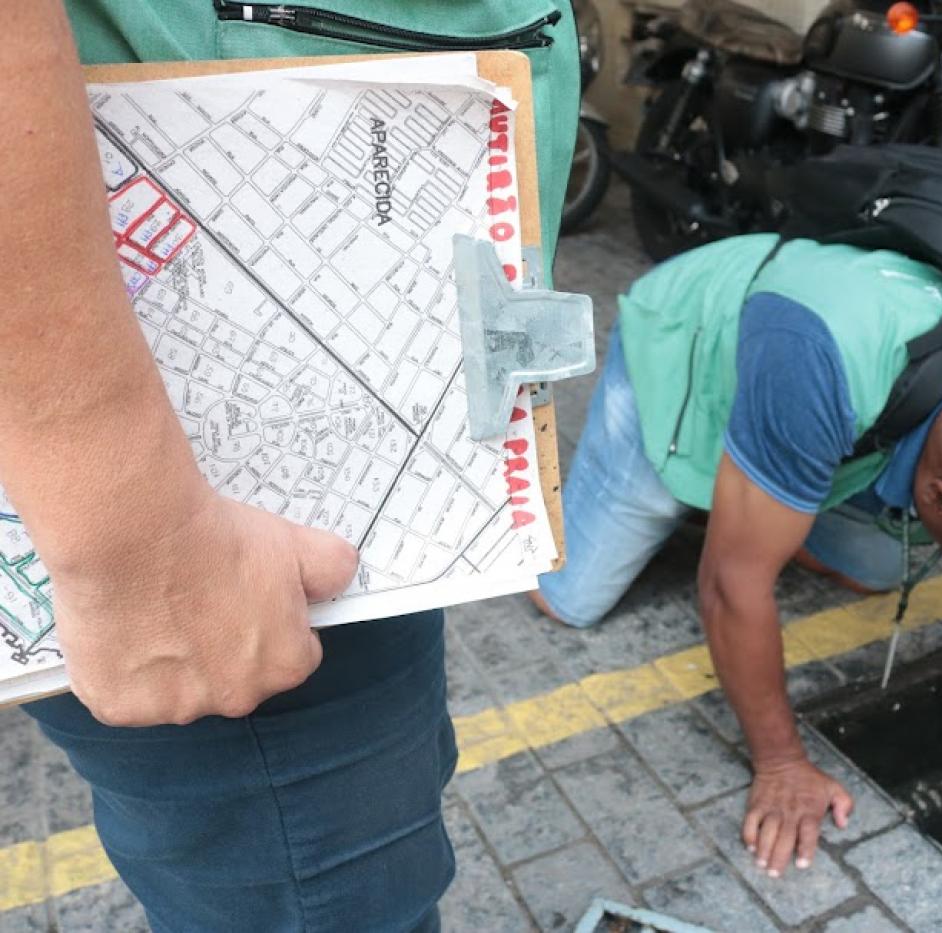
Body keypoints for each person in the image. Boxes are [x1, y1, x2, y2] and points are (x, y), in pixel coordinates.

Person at [3, 2, 577, 930]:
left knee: (368, 831)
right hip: (205, 496)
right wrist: (128, 519)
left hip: (318, 448)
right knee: (324, 891)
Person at [534, 233, 942, 878]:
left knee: (878, 570)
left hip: (827, 391)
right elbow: (728, 587)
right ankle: (734, 492)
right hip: (691, 338)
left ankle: (766, 492)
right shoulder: (816, 358)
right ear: (940, 498)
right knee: (572, 599)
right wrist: (781, 764)